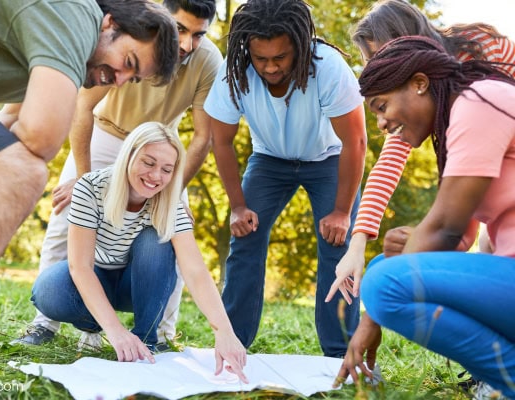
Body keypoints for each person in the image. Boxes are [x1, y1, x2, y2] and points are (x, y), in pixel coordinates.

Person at [0, 0, 179, 397]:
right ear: (110, 22)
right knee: (20, 174)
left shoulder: (52, 47)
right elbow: (39, 134)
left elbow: (7, 120)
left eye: (132, 77)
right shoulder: (72, 16)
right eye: (127, 60)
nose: (119, 79)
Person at [11, 0, 223, 349]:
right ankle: (44, 324)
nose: (186, 44)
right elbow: (84, 105)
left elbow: (203, 137)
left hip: (157, 148)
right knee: (64, 221)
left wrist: (172, 193)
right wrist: (83, 176)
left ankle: (161, 334)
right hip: (106, 135)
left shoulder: (208, 61)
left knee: (172, 233)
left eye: (198, 34)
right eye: (181, 30)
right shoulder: (134, 38)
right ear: (163, 15)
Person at [334, 35, 515, 399]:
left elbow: (446, 229)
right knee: (387, 265)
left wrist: (370, 320)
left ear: (419, 83)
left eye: (382, 106)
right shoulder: (458, 118)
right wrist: (413, 242)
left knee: (383, 282)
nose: (382, 124)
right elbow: (460, 232)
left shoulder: (479, 101)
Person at [204, 0, 367, 358]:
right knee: (244, 238)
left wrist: (341, 211)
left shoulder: (327, 68)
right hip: (269, 160)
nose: (270, 67)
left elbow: (355, 142)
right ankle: (232, 344)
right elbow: (223, 142)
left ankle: (340, 354)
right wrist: (237, 207)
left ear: (299, 44)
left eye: (280, 57)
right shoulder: (235, 71)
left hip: (329, 159)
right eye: (261, 59)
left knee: (337, 248)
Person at [325, 0, 515, 304]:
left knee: (490, 243)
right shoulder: (412, 104)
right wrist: (357, 244)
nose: (376, 67)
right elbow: (387, 166)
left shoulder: (482, 51)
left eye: (378, 55)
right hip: (481, 181)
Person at [31, 122, 248, 383]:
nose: (156, 176)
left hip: (136, 287)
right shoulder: (91, 187)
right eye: (148, 163)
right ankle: (93, 327)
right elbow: (80, 267)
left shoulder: (171, 205)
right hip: (95, 276)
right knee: (48, 291)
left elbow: (195, 271)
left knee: (156, 238)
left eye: (167, 170)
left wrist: (223, 331)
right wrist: (115, 330)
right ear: (129, 155)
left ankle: (147, 339)